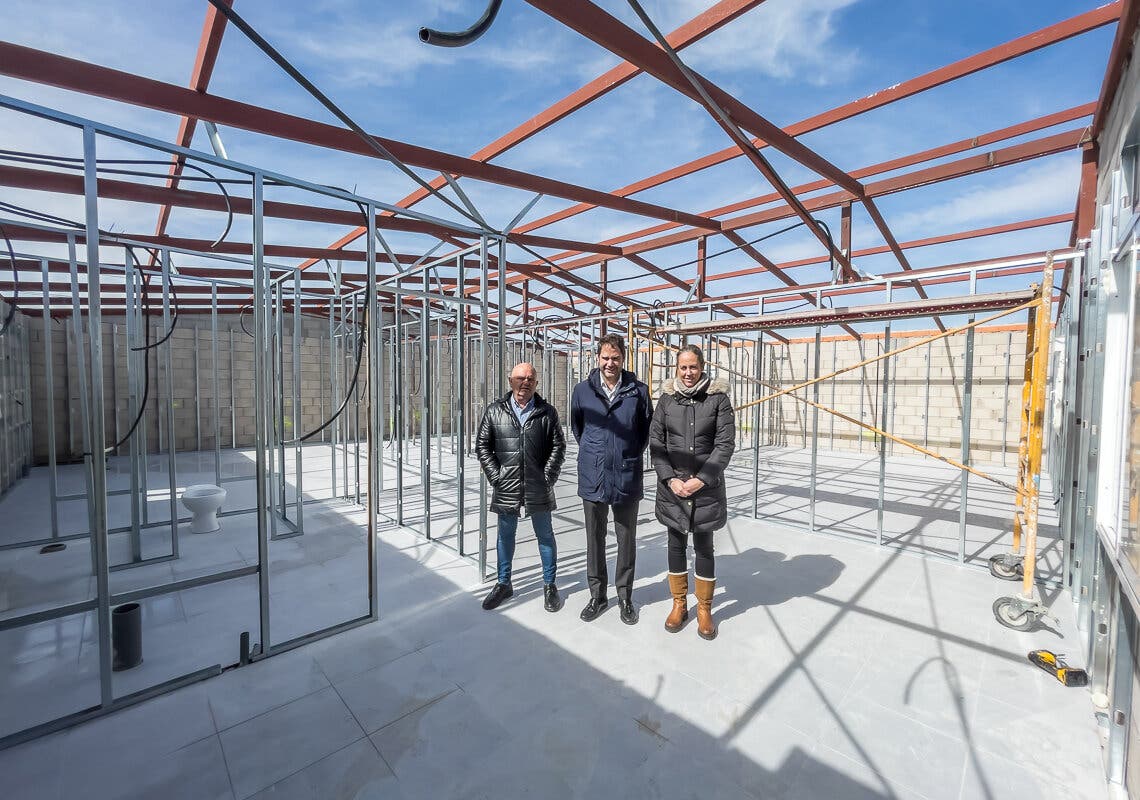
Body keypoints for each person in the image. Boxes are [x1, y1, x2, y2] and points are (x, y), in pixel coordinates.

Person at [649, 344, 736, 640]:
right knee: (675, 544)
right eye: (683, 367)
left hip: (705, 490)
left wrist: (702, 479)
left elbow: (725, 445)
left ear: (702, 367)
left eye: (693, 367)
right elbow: (657, 444)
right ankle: (679, 603)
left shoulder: (718, 400)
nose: (688, 373)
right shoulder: (666, 401)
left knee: (704, 547)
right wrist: (670, 479)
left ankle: (704, 609)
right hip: (673, 489)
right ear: (676, 369)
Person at [570, 334, 653, 625]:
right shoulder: (582, 390)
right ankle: (597, 595)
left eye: (615, 358)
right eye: (605, 357)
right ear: (597, 358)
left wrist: (626, 453)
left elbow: (644, 431)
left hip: (626, 474)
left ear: (623, 359)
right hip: (592, 474)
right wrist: (597, 453)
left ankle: (625, 596)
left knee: (626, 538)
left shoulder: (638, 391)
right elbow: (577, 428)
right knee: (595, 537)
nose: (610, 363)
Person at [476, 362, 567, 612]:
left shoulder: (547, 412)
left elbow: (559, 446)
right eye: (520, 378)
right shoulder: (495, 411)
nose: (525, 382)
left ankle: (549, 585)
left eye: (530, 379)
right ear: (510, 380)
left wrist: (548, 476)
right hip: (507, 486)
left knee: (545, 536)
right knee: (505, 536)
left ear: (536, 384)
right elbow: (482, 446)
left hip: (539, 486)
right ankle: (503, 583)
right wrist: (497, 477)